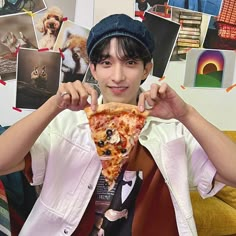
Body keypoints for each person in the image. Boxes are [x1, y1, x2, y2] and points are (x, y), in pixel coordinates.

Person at [0, 13, 236, 235]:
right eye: (106, 63)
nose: (117, 76)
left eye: (130, 62)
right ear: (93, 68)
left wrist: (186, 114)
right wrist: (53, 105)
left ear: (147, 68)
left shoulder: (173, 130)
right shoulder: (67, 121)